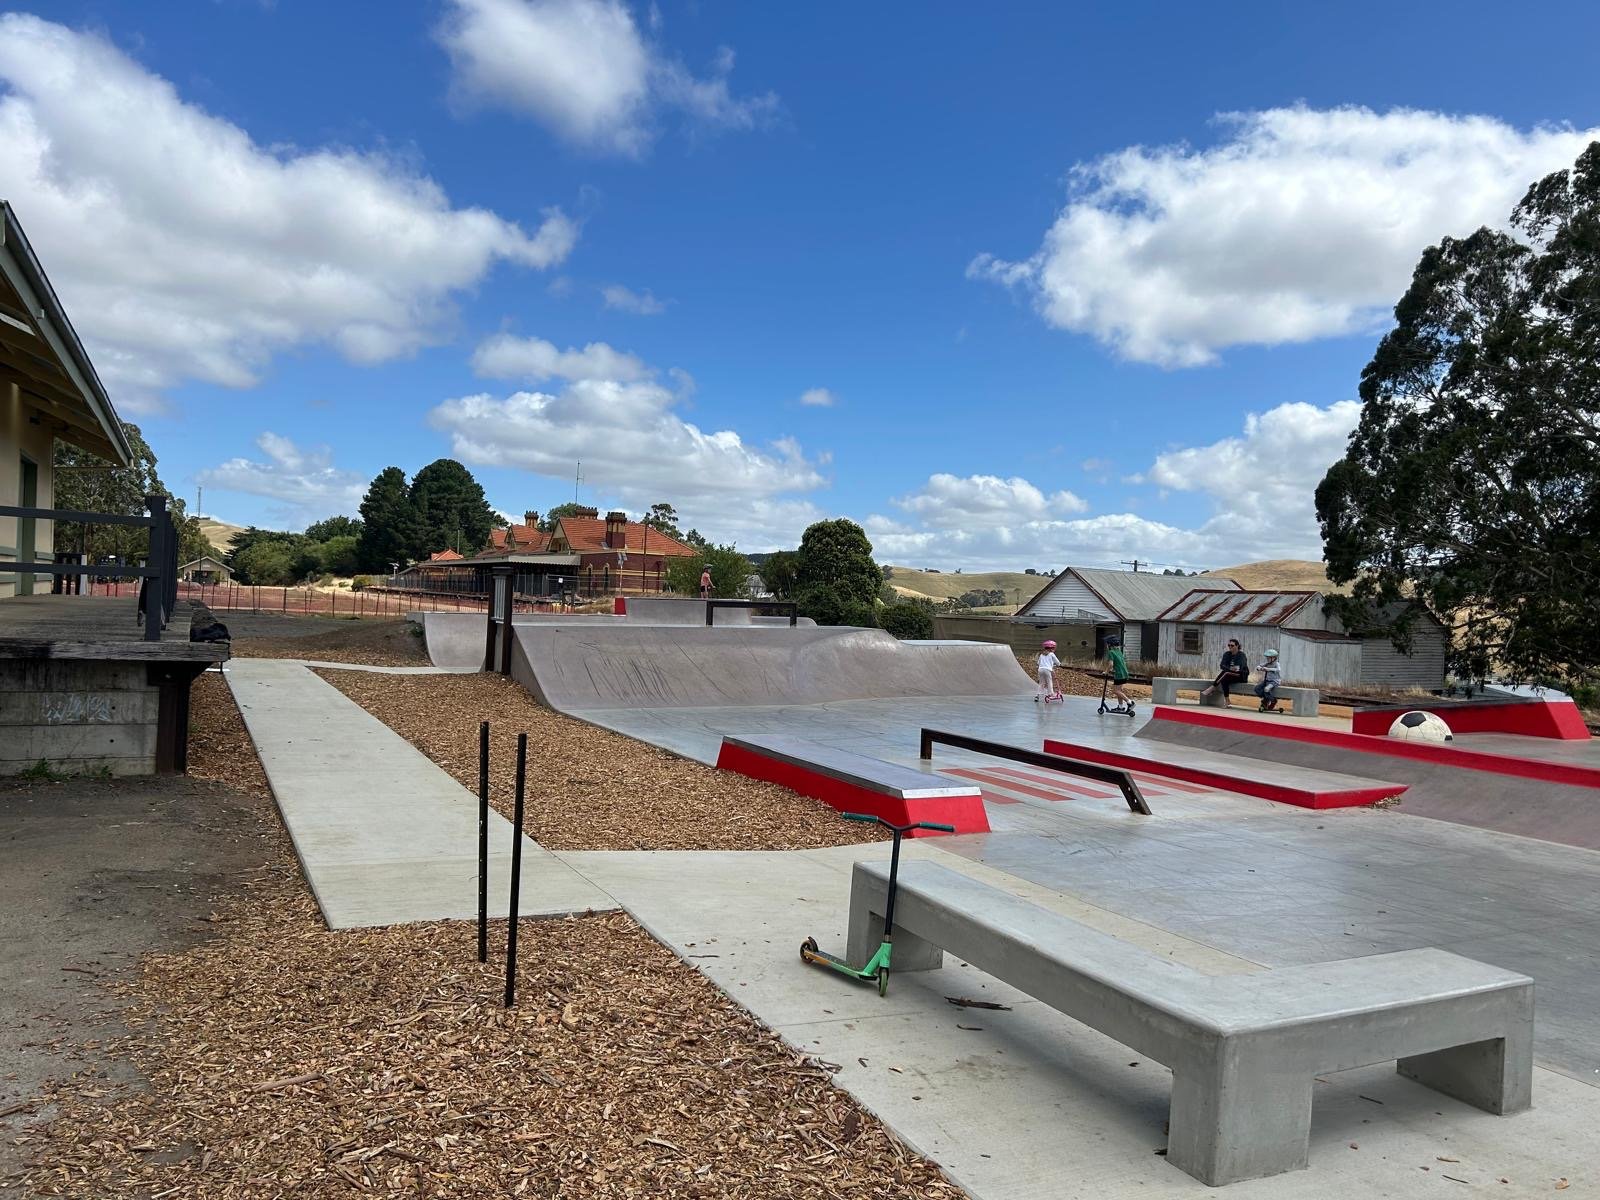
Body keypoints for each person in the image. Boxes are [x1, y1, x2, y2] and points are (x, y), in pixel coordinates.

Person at [1201, 637, 1249, 702]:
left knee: (1225, 673)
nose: (1230, 647)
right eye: (1229, 645)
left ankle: (1212, 688)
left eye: (1232, 645)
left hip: (1240, 676)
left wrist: (1229, 668)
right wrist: (1230, 668)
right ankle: (1227, 701)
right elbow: (1222, 665)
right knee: (1224, 678)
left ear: (1237, 646)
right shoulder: (1227, 654)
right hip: (1229, 674)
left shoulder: (1241, 655)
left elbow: (1239, 668)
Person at [1105, 634, 1132, 710]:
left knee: (1116, 691)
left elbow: (1111, 664)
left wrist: (1106, 671)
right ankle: (1120, 707)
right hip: (1124, 673)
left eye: (1107, 644)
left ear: (1110, 645)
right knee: (1119, 690)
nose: (1106, 646)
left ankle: (1129, 702)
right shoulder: (1119, 651)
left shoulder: (1111, 652)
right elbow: (1120, 662)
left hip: (1119, 674)